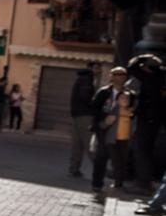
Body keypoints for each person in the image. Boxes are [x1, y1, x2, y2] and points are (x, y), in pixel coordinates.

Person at [91, 66, 134, 202]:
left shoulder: (130, 94)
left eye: (122, 74)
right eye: (116, 74)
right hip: (104, 129)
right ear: (111, 76)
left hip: (121, 130)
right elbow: (93, 109)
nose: (120, 77)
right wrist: (105, 117)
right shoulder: (103, 92)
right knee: (102, 156)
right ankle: (97, 184)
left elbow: (133, 110)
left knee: (120, 158)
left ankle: (118, 183)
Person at [128, 54, 163, 193]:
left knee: (141, 150)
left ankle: (143, 183)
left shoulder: (150, 77)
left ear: (147, 68)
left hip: (147, 118)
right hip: (157, 119)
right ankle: (146, 180)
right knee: (147, 150)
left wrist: (142, 57)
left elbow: (132, 67)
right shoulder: (161, 75)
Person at [68, 66, 97, 177]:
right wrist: (94, 106)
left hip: (77, 114)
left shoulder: (81, 79)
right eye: (98, 68)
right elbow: (85, 97)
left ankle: (74, 168)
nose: (99, 71)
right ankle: (99, 168)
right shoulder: (87, 80)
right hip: (85, 115)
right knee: (89, 143)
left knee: (77, 143)